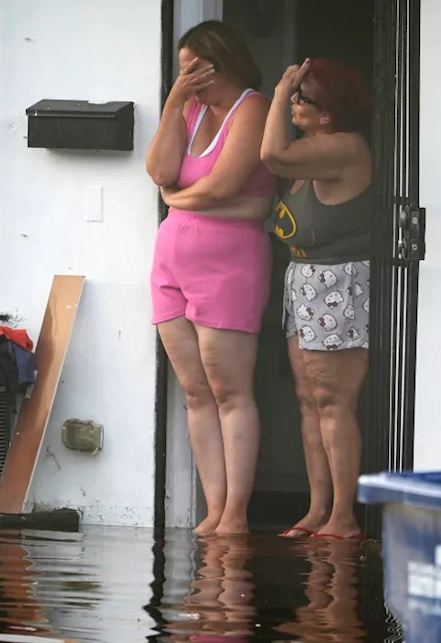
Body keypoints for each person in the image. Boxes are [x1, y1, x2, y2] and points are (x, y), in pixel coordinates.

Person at [145, 21, 276, 536]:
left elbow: (222, 186)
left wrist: (177, 199)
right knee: (194, 391)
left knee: (229, 389)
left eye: (191, 69)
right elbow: (159, 169)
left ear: (216, 63)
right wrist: (174, 102)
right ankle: (214, 509)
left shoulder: (254, 108)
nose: (186, 78)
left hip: (229, 267)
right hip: (172, 263)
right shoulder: (190, 107)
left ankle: (237, 513)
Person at [260, 58, 373, 541]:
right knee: (309, 401)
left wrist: (280, 87)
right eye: (295, 93)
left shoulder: (343, 148)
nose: (293, 101)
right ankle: (317, 509)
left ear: (329, 114)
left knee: (333, 401)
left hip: (337, 282)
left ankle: (344, 517)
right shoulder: (313, 150)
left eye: (303, 97)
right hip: (303, 280)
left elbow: (270, 155)